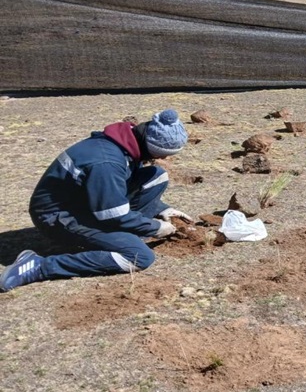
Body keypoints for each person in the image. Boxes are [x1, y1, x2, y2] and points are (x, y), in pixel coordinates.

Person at [0, 109, 194, 292]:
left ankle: (125, 237)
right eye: (162, 154)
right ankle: (39, 266)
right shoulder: (106, 163)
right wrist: (155, 227)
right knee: (139, 257)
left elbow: (115, 193)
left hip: (86, 203)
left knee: (155, 175)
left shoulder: (125, 143)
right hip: (57, 216)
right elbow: (112, 214)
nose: (165, 158)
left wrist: (161, 209)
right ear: (151, 147)